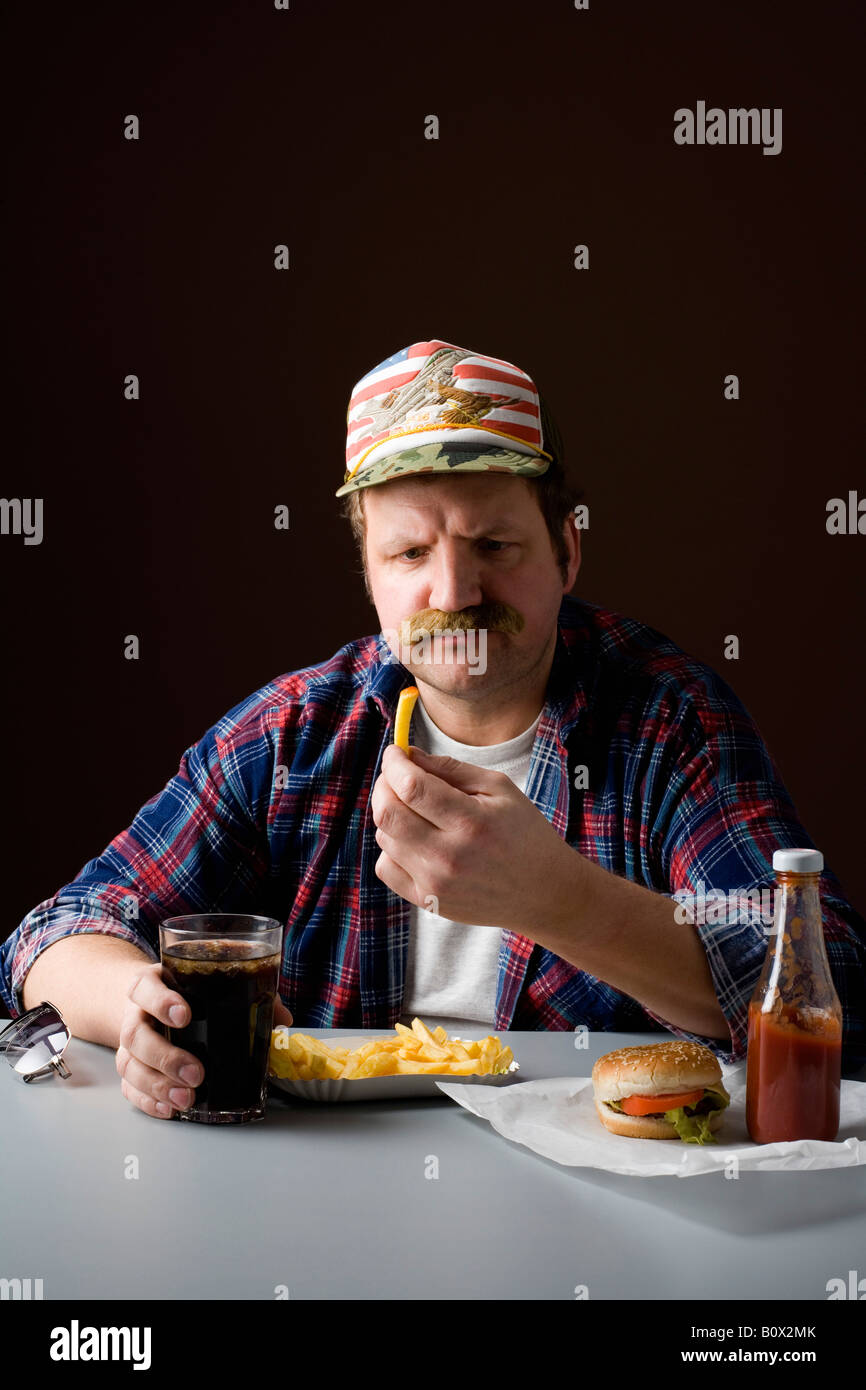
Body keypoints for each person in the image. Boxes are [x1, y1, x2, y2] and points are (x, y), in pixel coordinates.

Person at [2, 338, 864, 1122]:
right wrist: (140, 1012)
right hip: (325, 1198)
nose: (453, 592)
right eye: (411, 554)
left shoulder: (669, 721)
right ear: (369, 572)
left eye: (494, 545)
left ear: (567, 552)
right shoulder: (295, 735)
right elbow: (60, 928)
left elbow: (834, 990)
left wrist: (558, 899)